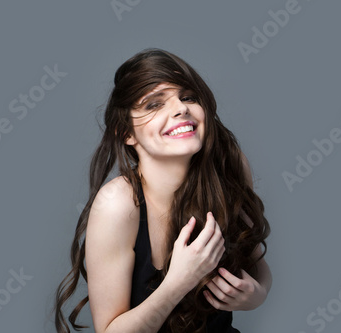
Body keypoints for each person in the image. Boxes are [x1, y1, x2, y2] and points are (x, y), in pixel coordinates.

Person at [54, 48, 272, 333]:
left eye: (188, 97)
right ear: (127, 133)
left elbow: (256, 262)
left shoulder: (231, 167)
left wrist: (258, 295)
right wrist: (178, 282)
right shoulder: (117, 204)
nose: (180, 109)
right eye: (154, 105)